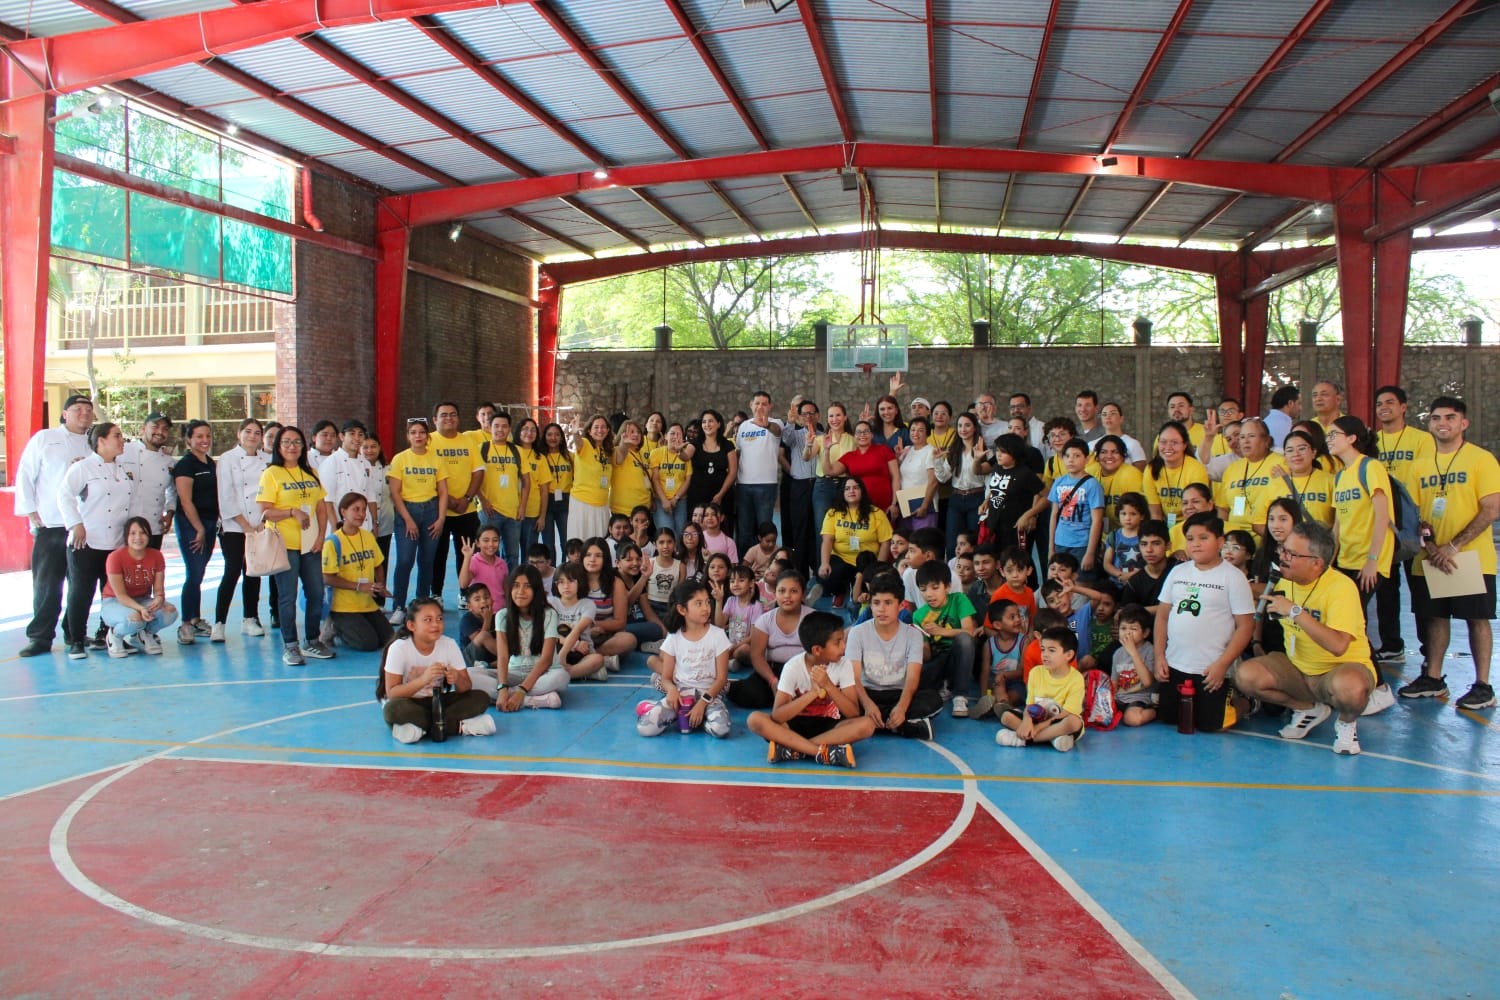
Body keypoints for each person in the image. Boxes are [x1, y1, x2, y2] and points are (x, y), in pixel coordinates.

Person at [1234, 521, 1375, 754]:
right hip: (1297, 668)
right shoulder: (1287, 579)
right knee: (1246, 676)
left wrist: (1295, 612)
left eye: (1291, 553)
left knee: (1350, 687)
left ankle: (1346, 723)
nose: (1283, 557)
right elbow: (1263, 591)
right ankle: (1307, 708)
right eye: (1283, 550)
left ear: (1316, 563)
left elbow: (1338, 646)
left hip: (1336, 670)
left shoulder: (1341, 588)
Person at [1399, 396, 1500, 710]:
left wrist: (1452, 547)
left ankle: (1483, 685)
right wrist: (1431, 548)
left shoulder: (1481, 459)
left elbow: (1491, 509)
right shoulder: (1419, 466)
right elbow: (1413, 515)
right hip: (1430, 560)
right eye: (1436, 418)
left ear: (1463, 423)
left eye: (1450, 417)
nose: (1442, 423)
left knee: (1476, 619)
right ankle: (1433, 677)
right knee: (1434, 618)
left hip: (1470, 558)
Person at [1152, 512, 1254, 732]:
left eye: (1203, 538)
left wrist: (1222, 665)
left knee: (1214, 726)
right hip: (1175, 665)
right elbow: (1162, 616)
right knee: (1169, 719)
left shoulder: (1233, 577)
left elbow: (1246, 626)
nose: (1195, 544)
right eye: (1190, 539)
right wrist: (1159, 656)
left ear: (1220, 541)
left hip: (1211, 669)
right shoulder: (1177, 572)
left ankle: (1248, 702)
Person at [1327, 416, 1395, 709]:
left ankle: (1380, 688)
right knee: (1346, 623)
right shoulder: (1340, 476)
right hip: (1345, 560)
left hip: (1367, 562)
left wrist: (1372, 560)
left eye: (1334, 434)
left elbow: (1383, 516)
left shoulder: (1370, 467)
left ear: (1352, 438)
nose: (1329, 440)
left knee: (1354, 626)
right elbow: (1338, 526)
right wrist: (1330, 562)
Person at [748, 610, 875, 768]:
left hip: (831, 729)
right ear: (817, 650)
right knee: (755, 720)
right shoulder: (793, 667)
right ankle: (819, 752)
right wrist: (814, 693)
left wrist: (828, 685)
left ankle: (794, 749)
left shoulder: (844, 664)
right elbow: (778, 716)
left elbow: (853, 713)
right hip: (794, 728)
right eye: (838, 642)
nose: (844, 646)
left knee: (867, 724)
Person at [57, 421, 133, 660]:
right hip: (87, 541)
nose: (122, 440)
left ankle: (109, 635)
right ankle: (76, 640)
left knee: (111, 593)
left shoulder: (122, 469)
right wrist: (75, 524)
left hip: (116, 543)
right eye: (117, 436)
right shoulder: (84, 467)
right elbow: (64, 495)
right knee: (81, 593)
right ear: (101, 441)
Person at [256, 425, 331, 666]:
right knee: (287, 597)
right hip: (284, 545)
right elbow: (265, 512)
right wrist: (292, 512)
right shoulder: (272, 473)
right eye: (286, 442)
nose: (292, 446)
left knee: (316, 593)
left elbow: (321, 508)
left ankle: (312, 640)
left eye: (297, 442)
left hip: (310, 545)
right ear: (278, 446)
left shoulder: (311, 473)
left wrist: (321, 536)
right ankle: (290, 646)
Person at [1373, 385, 1436, 666]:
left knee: (1420, 588)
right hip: (1382, 523)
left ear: (1403, 407)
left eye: (1390, 402)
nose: (1383, 407)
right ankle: (1391, 645)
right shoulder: (1371, 441)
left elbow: (1427, 477)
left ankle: (1429, 650)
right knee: (1386, 588)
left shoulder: (1422, 440)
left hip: (1411, 523)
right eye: (1379, 404)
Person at [378, 596, 496, 744]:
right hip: (408, 702)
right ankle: (459, 727)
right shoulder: (399, 648)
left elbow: (466, 687)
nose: (435, 624)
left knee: (480, 698)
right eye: (428, 620)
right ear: (412, 625)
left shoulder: (449, 644)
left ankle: (419, 728)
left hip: (438, 702)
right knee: (392, 710)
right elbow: (392, 693)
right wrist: (423, 680)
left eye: (439, 619)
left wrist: (457, 678)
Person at [848, 574, 942, 740]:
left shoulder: (913, 635)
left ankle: (875, 723)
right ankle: (903, 727)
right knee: (843, 700)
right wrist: (868, 705)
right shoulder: (857, 633)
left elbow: (912, 678)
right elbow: (853, 677)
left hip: (899, 693)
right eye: (876, 603)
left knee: (934, 699)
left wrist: (901, 708)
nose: (881, 609)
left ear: (900, 605)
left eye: (888, 603)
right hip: (868, 693)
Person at [636, 579, 733, 738]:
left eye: (707, 602)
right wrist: (672, 690)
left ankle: (698, 719)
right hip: (681, 694)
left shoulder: (718, 635)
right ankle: (664, 710)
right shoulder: (674, 637)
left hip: (709, 695)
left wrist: (702, 704)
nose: (706, 608)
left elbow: (721, 679)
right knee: (645, 728)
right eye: (698, 603)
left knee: (721, 729)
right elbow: (666, 678)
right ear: (682, 609)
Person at [386, 418, 447, 623]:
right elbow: (395, 492)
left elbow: (443, 492)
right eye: (413, 432)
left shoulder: (436, 459)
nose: (418, 436)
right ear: (408, 436)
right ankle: (399, 606)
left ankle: (421, 604)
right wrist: (407, 519)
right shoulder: (400, 459)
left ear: (427, 436)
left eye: (421, 432)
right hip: (407, 511)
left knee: (427, 561)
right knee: (405, 560)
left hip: (431, 511)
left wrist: (440, 519)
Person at [215, 418, 271, 639]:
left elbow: (269, 492)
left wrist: (262, 522)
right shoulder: (227, 459)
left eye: (257, 433)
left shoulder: (266, 460)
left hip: (259, 523)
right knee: (232, 571)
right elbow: (226, 495)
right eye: (248, 431)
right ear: (239, 434)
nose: (252, 436)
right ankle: (219, 622)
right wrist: (246, 526)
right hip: (233, 525)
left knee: (253, 572)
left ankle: (250, 618)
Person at [728, 569, 813, 708]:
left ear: (802, 593)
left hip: (804, 671)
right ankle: (730, 684)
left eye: (794, 591)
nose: (787, 596)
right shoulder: (765, 620)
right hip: (773, 670)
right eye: (782, 591)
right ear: (775, 593)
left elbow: (819, 654)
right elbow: (757, 656)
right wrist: (773, 681)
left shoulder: (812, 618)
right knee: (751, 695)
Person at [320, 493, 393, 652]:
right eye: (356, 509)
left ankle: (356, 626)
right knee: (368, 643)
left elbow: (378, 565)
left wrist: (381, 586)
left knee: (389, 639)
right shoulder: (333, 542)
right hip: (343, 606)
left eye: (364, 510)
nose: (361, 514)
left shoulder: (368, 537)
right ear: (343, 512)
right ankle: (334, 626)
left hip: (366, 603)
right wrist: (359, 586)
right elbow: (327, 578)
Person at [995, 626, 1086, 751]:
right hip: (1036, 720)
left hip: (1058, 721)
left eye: (1052, 650)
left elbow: (1067, 713)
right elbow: (1030, 704)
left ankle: (1024, 740)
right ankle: (1053, 739)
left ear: (1069, 655)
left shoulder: (1076, 679)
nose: (1045, 655)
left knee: (1074, 722)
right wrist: (1027, 721)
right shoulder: (1035, 672)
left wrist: (1039, 727)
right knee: (1006, 716)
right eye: (1043, 649)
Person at [100, 516, 178, 656]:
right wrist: (141, 609)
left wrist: (159, 599)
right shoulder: (115, 557)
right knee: (136, 619)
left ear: (149, 535)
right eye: (133, 533)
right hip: (115, 601)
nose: (138, 537)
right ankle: (114, 636)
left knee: (170, 612)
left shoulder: (156, 556)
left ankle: (145, 634)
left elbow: (159, 590)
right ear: (126, 536)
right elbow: (121, 595)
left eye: (143, 533)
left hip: (142, 599)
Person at [494, 565, 568, 711]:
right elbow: (502, 657)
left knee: (562, 677)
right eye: (516, 586)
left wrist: (521, 691)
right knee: (472, 676)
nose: (520, 591)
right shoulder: (502, 616)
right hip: (515, 672)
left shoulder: (549, 614)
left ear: (536, 590)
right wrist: (502, 688)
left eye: (527, 586)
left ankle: (514, 696)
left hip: (544, 673)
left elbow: (546, 660)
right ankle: (535, 699)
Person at [430, 401, 484, 602]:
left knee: (467, 554)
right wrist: (449, 501)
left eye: (453, 414)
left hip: (466, 510)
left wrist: (467, 498)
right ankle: (436, 593)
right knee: (438, 554)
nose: (449, 418)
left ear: (458, 418)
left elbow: (478, 472)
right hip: (439, 511)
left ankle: (465, 594)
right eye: (443, 415)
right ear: (435, 420)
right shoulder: (428, 441)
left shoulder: (468, 441)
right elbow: (426, 475)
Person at [171, 420, 219, 645]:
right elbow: (186, 501)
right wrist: (199, 528)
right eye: (199, 436)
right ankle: (186, 624)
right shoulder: (186, 465)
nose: (205, 440)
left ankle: (196, 619)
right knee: (194, 572)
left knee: (199, 573)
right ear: (189, 439)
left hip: (209, 523)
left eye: (208, 436)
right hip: (191, 525)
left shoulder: (210, 462)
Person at [912, 562, 979, 717]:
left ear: (947, 587)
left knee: (964, 640)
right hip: (937, 660)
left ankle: (960, 695)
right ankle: (944, 686)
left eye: (935, 588)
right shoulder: (918, 615)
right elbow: (927, 656)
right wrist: (921, 642)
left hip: (959, 657)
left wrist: (941, 631)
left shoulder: (959, 600)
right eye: (923, 589)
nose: (929, 594)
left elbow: (969, 632)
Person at [814, 477, 894, 606]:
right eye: (847, 488)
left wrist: (878, 568)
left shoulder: (876, 513)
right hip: (841, 558)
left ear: (862, 491)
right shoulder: (833, 513)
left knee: (871, 587)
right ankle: (839, 592)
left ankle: (856, 587)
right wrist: (824, 563)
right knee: (825, 575)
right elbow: (827, 540)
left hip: (866, 560)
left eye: (855, 487)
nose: (851, 491)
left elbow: (886, 542)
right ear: (842, 493)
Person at [733, 390, 783, 555]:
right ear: (751, 405)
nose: (760, 407)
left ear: (770, 406)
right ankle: (744, 564)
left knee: (764, 530)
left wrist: (766, 425)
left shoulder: (776, 423)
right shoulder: (743, 426)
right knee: (744, 531)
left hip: (766, 486)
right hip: (743, 485)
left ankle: (765, 564)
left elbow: (777, 431)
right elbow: (738, 453)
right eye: (757, 403)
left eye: (764, 404)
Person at [476, 411, 527, 568]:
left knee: (512, 555)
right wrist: (483, 501)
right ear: (489, 428)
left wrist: (522, 506)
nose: (500, 429)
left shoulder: (518, 451)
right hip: (489, 511)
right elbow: (473, 479)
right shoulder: (481, 449)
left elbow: (527, 482)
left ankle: (510, 583)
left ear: (509, 429)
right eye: (496, 426)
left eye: (504, 426)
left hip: (513, 512)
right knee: (489, 554)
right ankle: (490, 584)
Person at [1217, 417, 1285, 536]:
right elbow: (1223, 508)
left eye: (1251, 436)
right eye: (1242, 437)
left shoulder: (1281, 464)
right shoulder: (1232, 469)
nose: (1245, 441)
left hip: (1266, 535)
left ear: (1267, 440)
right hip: (1234, 538)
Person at [118, 412, 176, 549]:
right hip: (125, 528)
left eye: (165, 429)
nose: (160, 432)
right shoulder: (123, 451)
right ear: (143, 429)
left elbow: (172, 491)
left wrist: (170, 513)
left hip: (154, 527)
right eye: (155, 426)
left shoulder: (170, 462)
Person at [937, 411, 992, 556]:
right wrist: (937, 461)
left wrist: (986, 502)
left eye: (967, 425)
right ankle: (953, 570)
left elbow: (990, 481)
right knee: (952, 543)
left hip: (977, 498)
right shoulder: (954, 450)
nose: (963, 429)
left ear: (975, 428)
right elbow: (943, 478)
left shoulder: (985, 452)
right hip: (956, 498)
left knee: (974, 542)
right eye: (960, 425)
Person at [1047, 437, 1104, 574]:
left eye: (1077, 456)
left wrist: (1090, 552)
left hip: (1082, 544)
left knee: (1080, 582)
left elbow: (1097, 520)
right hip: (1060, 542)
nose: (1071, 460)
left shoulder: (1092, 484)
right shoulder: (1058, 482)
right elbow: (1054, 515)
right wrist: (1051, 547)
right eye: (1067, 456)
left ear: (1087, 459)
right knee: (1059, 580)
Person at [1144, 420, 1211, 531]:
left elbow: (1198, 509)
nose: (1168, 447)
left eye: (1174, 442)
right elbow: (1155, 512)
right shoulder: (1151, 469)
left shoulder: (1196, 469)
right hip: (1164, 522)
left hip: (1192, 523)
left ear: (1184, 445)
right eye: (1163, 442)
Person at [828, 420, 900, 522]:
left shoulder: (884, 450)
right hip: (859, 507)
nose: (862, 434)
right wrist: (826, 450)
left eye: (866, 431)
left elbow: (896, 477)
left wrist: (894, 503)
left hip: (885, 506)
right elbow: (829, 471)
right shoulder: (849, 456)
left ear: (872, 435)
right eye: (859, 432)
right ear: (854, 436)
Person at [1111, 603, 1158, 726]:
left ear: (1145, 633)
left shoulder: (1150, 650)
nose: (1127, 633)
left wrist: (1133, 652)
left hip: (1141, 697)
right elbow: (1114, 682)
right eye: (1123, 628)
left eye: (1133, 629)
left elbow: (1147, 682)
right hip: (1120, 697)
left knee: (1132, 719)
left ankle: (1156, 712)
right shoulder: (1118, 653)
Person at [1280, 428, 1336, 527]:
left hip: (1320, 537)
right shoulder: (1274, 484)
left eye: (1302, 448)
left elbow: (1341, 520)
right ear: (1285, 456)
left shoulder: (1331, 481)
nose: (1296, 454)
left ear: (1313, 453)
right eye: (1290, 450)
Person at [513, 417, 551, 558]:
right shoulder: (510, 452)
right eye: (525, 429)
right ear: (518, 431)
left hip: (531, 512)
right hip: (510, 510)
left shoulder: (540, 458)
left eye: (533, 430)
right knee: (510, 553)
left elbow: (544, 490)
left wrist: (542, 517)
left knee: (528, 553)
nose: (529, 433)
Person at [896, 416, 940, 532]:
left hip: (924, 507)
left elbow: (933, 482)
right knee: (907, 541)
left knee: (923, 540)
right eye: (913, 429)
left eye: (920, 430)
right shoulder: (907, 450)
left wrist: (924, 506)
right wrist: (897, 456)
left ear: (927, 433)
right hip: (906, 506)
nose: (915, 433)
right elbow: (899, 475)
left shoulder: (931, 451)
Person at [648, 421, 692, 537]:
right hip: (660, 500)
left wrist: (676, 498)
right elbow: (655, 479)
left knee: (681, 535)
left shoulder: (685, 455)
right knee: (667, 533)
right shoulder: (656, 453)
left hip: (680, 500)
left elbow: (687, 480)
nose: (675, 437)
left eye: (679, 434)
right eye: (672, 433)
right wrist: (664, 501)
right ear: (666, 436)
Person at [539, 421, 573, 560]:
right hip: (547, 501)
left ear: (561, 438)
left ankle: (565, 568)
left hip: (565, 500)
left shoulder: (570, 457)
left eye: (557, 435)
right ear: (544, 437)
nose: (553, 438)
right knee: (548, 542)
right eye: (549, 434)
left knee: (566, 540)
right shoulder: (540, 457)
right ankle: (551, 569)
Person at [1095, 434, 1144, 530]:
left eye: (1115, 452)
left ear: (1123, 456)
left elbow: (1139, 513)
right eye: (1104, 452)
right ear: (1097, 457)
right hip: (1097, 531)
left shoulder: (1132, 474)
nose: (1109, 456)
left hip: (1126, 532)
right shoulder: (1090, 472)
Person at [1264, 384, 1301, 452]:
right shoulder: (1285, 427)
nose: (1300, 408)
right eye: (1299, 403)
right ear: (1290, 403)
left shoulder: (1264, 422)